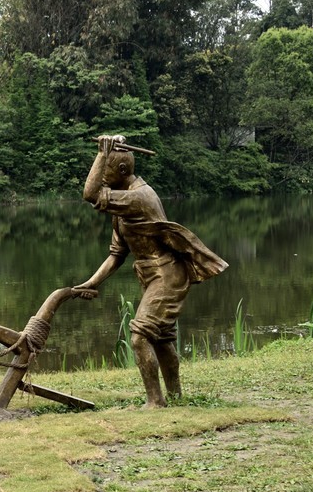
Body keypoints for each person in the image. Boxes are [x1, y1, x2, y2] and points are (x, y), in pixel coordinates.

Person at [74, 135, 228, 407]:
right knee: (161, 337)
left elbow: (90, 194)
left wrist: (102, 152)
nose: (102, 177)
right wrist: (91, 283)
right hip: (150, 273)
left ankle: (155, 401)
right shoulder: (121, 205)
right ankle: (175, 396)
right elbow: (116, 254)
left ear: (121, 171)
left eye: (105, 170)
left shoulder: (139, 198)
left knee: (140, 336)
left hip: (167, 274)